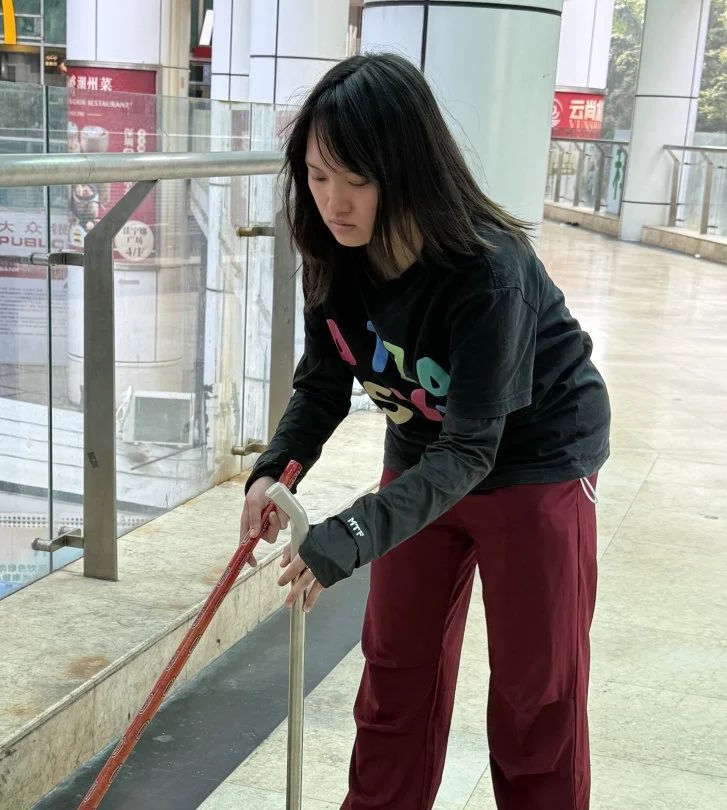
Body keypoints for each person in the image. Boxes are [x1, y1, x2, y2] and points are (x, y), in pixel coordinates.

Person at [240, 52, 611, 810]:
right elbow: (323, 384)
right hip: (423, 456)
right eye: (317, 176)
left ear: (407, 171)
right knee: (395, 667)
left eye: (355, 179)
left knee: (534, 691)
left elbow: (473, 448)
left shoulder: (489, 269)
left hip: (535, 461)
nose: (332, 202)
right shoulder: (331, 254)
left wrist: (350, 534)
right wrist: (277, 470)